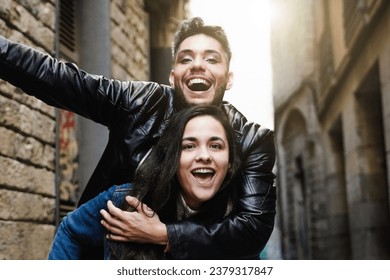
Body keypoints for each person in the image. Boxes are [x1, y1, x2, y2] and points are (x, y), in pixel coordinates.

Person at [0, 17, 276, 259]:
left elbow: (251, 229)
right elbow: (60, 79)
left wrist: (165, 234)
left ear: (228, 79)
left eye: (211, 58)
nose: (197, 66)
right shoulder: (138, 102)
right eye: (186, 58)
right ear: (172, 76)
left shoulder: (252, 140)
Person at [48, 105, 242, 259]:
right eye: (189, 146)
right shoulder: (125, 201)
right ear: (172, 158)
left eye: (215, 146)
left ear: (230, 161)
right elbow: (71, 230)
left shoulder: (241, 226)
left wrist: (166, 235)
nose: (204, 156)